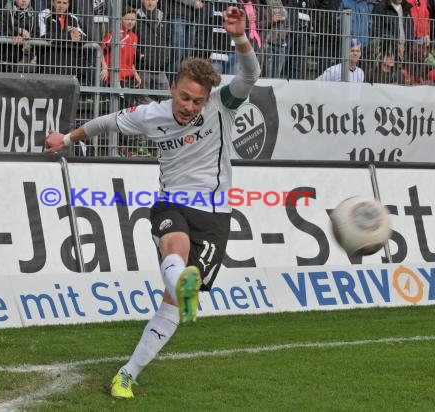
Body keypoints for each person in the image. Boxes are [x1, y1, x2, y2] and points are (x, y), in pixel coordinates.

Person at [44, 6, 260, 399]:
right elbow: (106, 122)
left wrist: (239, 37)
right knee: (172, 249)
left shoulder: (223, 106)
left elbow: (250, 74)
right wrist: (67, 139)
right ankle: (180, 283)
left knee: (172, 305)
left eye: (197, 101)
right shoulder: (151, 115)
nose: (189, 107)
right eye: (184, 97)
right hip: (172, 203)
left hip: (214, 215)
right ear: (172, 88)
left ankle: (128, 371)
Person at [135, 0, 171, 103]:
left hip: (160, 66)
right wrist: (140, 56)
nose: (150, 2)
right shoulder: (135, 17)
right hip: (142, 67)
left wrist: (165, 58)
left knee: (167, 98)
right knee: (142, 98)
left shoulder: (163, 17)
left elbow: (168, 41)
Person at [0, 0, 39, 72]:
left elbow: (37, 34)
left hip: (19, 58)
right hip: (1, 56)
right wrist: (19, 31)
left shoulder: (33, 14)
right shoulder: (5, 11)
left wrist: (27, 37)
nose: (24, 1)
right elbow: (0, 31)